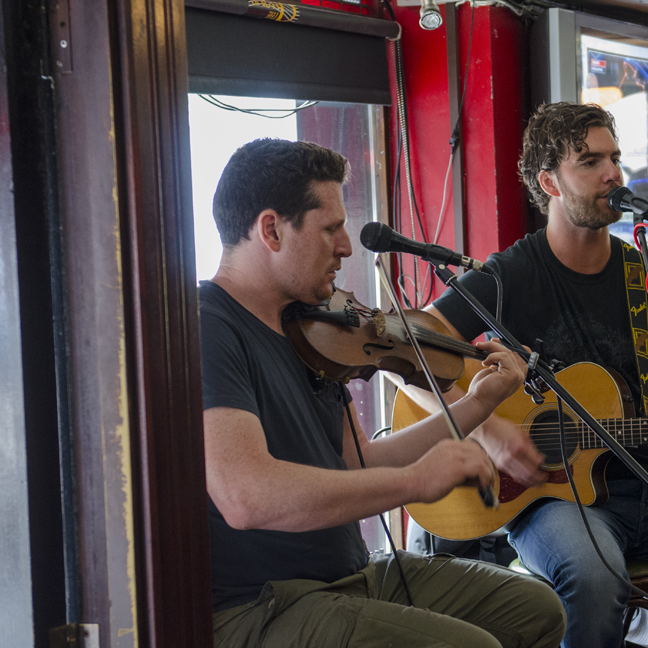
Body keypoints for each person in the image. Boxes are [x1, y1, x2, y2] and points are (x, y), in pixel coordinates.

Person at [416, 103, 648, 648]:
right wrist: (488, 429)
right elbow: (409, 356)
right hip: (553, 498)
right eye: (590, 161)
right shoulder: (509, 276)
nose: (613, 173)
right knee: (593, 579)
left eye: (615, 158)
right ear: (549, 181)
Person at [199, 138, 566, 648]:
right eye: (330, 229)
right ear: (271, 230)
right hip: (262, 607)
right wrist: (416, 482)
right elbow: (247, 497)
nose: (346, 247)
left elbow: (360, 461)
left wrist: (476, 404)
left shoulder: (307, 329)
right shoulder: (208, 326)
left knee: (538, 610)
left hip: (349, 577)